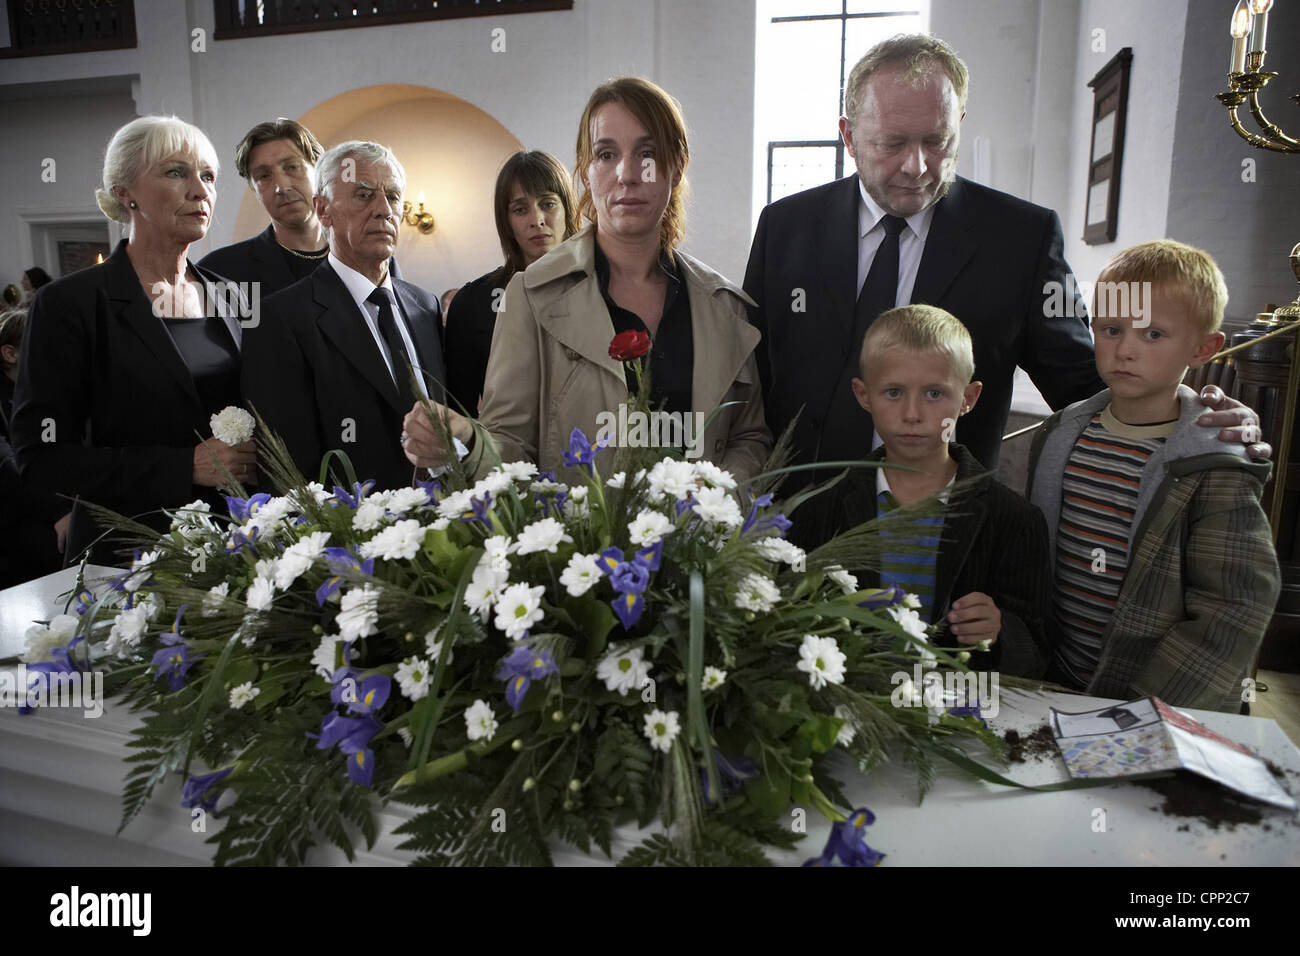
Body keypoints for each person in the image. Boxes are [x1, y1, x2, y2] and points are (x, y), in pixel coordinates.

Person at [744, 34, 1267, 515]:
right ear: (849, 136)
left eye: (937, 141)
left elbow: (1082, 383)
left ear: (960, 125)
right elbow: (752, 377)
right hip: (795, 519)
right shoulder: (785, 226)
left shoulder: (1022, 237)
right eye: (893, 143)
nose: (917, 166)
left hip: (950, 527)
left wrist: (1195, 419)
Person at [401, 77, 771, 483]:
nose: (627, 174)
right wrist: (466, 441)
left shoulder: (723, 304)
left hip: (698, 543)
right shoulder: (532, 294)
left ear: (677, 166)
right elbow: (509, 445)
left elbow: (749, 438)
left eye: (647, 153)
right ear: (586, 171)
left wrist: (717, 494)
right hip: (579, 542)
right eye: (606, 154)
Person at [1026, 240, 1280, 712]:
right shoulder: (1058, 437)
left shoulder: (1214, 460)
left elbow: (1235, 606)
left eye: (1154, 335)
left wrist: (1150, 711)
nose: (1125, 350)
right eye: (1111, 329)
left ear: (1204, 347)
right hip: (1058, 687)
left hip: (1156, 703)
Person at [10, 115, 255, 565]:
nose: (200, 190)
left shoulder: (233, 296)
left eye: (208, 176)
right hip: (127, 548)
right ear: (125, 192)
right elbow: (40, 455)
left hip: (231, 542)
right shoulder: (70, 303)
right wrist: (183, 469)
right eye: (176, 172)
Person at [814, 305, 1051, 677]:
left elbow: (1037, 654)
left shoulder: (1014, 520)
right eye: (893, 392)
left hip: (959, 714)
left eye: (934, 393)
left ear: (968, 398)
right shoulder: (822, 506)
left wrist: (999, 629)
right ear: (863, 394)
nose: (912, 413)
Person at [241, 140, 448, 492]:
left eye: (394, 197)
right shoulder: (281, 318)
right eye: (364, 195)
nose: (384, 210)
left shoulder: (424, 305)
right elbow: (287, 472)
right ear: (323, 211)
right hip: (349, 536)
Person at [442, 150, 580, 415]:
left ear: (567, 210)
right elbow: (461, 413)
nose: (537, 220)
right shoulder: (473, 303)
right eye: (520, 209)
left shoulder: (603, 286)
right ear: (507, 223)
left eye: (548, 204)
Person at [198, 118, 329, 295]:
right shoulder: (218, 272)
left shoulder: (360, 258)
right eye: (264, 176)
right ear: (254, 190)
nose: (281, 187)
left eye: (292, 167)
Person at [0, 308, 69, 586]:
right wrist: (60, 511)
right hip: (17, 524)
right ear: (10, 354)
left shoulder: (50, 389)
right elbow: (9, 467)